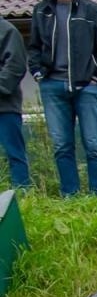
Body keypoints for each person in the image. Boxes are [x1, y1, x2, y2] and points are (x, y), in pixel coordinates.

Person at [26, 0, 97, 196]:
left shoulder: (92, 11)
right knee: (61, 146)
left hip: (87, 88)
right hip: (52, 87)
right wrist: (37, 73)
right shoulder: (41, 11)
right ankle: (71, 196)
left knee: (94, 145)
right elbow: (34, 47)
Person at [0, 19, 30, 188]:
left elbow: (16, 66)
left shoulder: (7, 30)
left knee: (14, 154)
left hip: (4, 107)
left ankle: (22, 197)